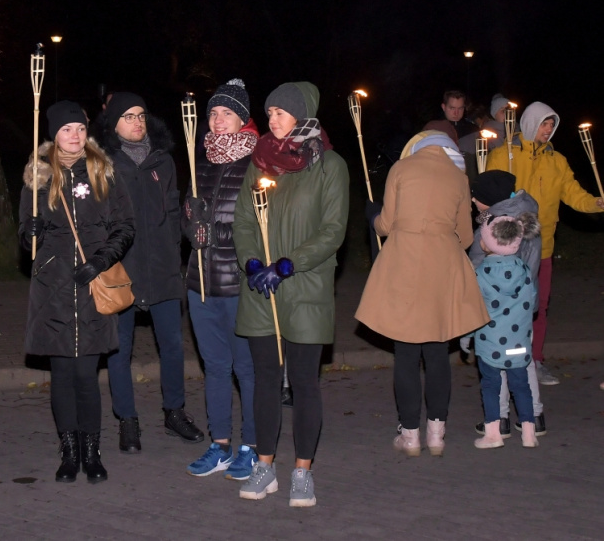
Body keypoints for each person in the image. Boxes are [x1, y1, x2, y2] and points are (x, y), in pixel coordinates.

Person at [233, 82, 349, 506]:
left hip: (305, 287)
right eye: (269, 112)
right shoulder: (260, 161)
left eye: (281, 111)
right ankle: (265, 467)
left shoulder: (329, 165)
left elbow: (333, 230)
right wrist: (253, 263)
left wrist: (288, 264)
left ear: (302, 115)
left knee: (303, 382)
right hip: (262, 291)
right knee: (265, 380)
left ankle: (302, 470)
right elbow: (244, 220)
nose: (273, 118)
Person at [19, 100, 135, 483]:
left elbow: (125, 226)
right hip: (53, 288)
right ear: (54, 134)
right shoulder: (39, 174)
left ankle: (92, 452)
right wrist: (29, 233)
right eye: (67, 129)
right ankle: (69, 452)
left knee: (86, 374)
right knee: (62, 374)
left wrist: (100, 261)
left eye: (80, 129)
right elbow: (25, 236)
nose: (75, 136)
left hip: (92, 287)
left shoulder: (103, 171)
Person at [356, 130, 489, 458]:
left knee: (406, 354)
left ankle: (410, 435)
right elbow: (465, 236)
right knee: (437, 352)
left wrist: (372, 216)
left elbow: (386, 224)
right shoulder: (459, 178)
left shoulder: (401, 168)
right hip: (441, 267)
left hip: (405, 262)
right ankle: (437, 434)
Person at [93, 92, 203, 451]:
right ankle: (127, 420)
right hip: (121, 269)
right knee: (119, 348)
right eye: (128, 116)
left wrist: (176, 243)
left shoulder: (162, 160)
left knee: (172, 344)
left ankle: (175, 412)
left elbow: (172, 210)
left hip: (162, 267)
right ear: (114, 124)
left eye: (140, 115)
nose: (137, 122)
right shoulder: (104, 163)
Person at [486, 101, 604, 385]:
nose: (548, 129)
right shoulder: (504, 154)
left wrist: (595, 203)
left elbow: (573, 193)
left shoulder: (557, 160)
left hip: (544, 245)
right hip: (509, 245)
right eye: (544, 124)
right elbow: (489, 195)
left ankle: (535, 361)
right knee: (507, 305)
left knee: (538, 305)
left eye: (552, 124)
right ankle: (503, 361)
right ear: (530, 124)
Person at [181, 78, 259, 480]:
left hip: (238, 283)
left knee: (246, 369)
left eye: (227, 112)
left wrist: (214, 232)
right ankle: (220, 444)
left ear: (243, 118)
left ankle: (252, 445)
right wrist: (191, 224)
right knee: (214, 367)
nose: (217, 119)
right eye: (213, 112)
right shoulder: (203, 161)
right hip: (201, 282)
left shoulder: (257, 162)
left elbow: (259, 224)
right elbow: (188, 215)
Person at [465, 171, 545, 438]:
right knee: (523, 360)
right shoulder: (527, 217)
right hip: (522, 306)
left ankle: (498, 419)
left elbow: (476, 266)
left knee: (493, 363)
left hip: (494, 308)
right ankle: (533, 416)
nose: (473, 200)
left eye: (476, 196)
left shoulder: (492, 227)